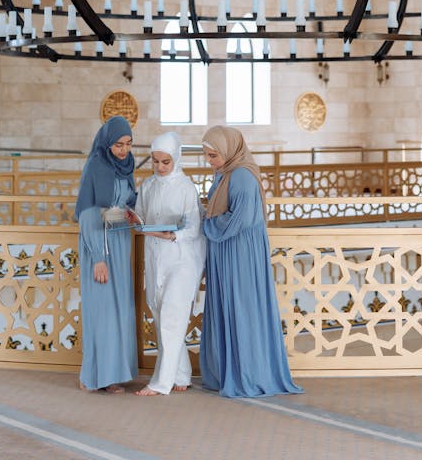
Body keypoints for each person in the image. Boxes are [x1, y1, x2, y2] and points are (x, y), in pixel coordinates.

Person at [199, 125, 302, 398]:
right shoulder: (225, 174)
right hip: (226, 250)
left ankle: (249, 374)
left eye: (213, 156)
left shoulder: (242, 176)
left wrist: (206, 221)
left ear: (229, 151)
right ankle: (227, 371)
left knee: (241, 307)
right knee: (229, 306)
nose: (209, 162)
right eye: (208, 156)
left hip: (239, 252)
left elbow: (238, 219)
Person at [132, 131, 205, 396]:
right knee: (161, 313)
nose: (160, 167)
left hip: (182, 259)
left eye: (166, 162)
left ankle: (160, 383)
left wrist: (174, 234)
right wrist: (134, 220)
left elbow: (194, 225)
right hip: (155, 257)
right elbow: (140, 214)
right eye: (155, 162)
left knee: (173, 317)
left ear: (176, 158)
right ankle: (182, 374)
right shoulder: (148, 186)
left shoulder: (187, 187)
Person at [74, 115, 138, 393]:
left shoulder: (127, 167)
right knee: (103, 311)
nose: (123, 150)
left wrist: (132, 212)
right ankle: (99, 376)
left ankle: (117, 372)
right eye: (118, 145)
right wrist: (98, 257)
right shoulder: (95, 167)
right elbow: (88, 214)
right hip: (99, 245)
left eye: (128, 144)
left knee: (120, 308)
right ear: (106, 143)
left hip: (120, 240)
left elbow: (127, 199)